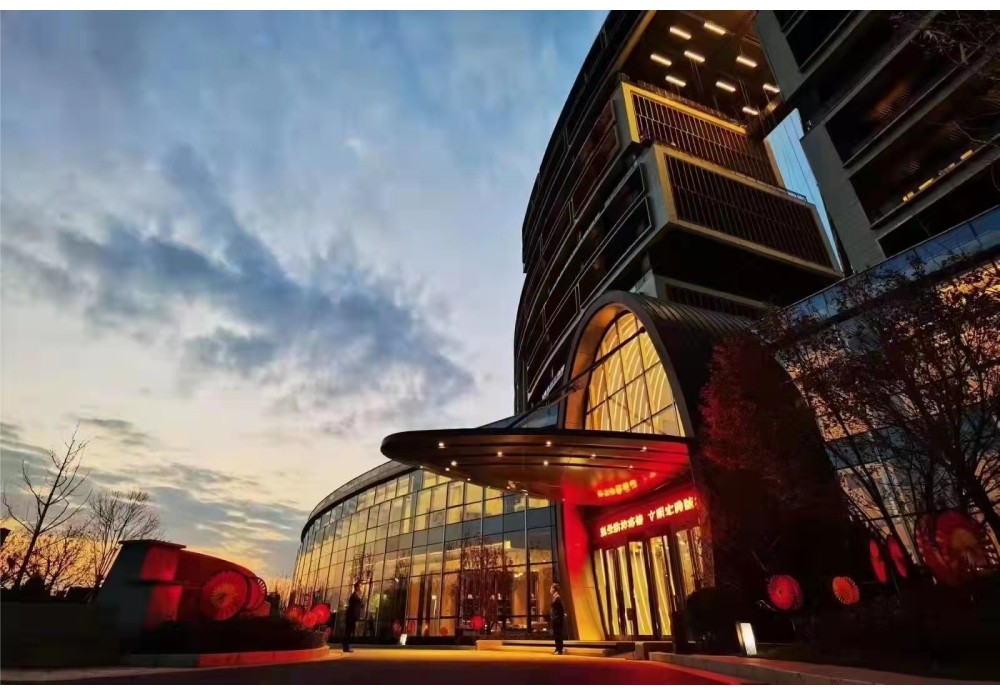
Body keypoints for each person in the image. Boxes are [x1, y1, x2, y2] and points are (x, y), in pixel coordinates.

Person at [343, 581, 363, 653]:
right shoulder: (354, 596)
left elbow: (356, 606)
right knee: (348, 632)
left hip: (351, 617)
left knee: (349, 632)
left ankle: (347, 647)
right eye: (360, 586)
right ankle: (346, 647)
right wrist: (355, 616)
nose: (361, 588)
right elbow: (353, 607)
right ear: (357, 587)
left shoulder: (356, 595)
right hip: (351, 617)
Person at [550, 582, 565, 655]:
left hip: (557, 619)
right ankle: (557, 648)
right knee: (556, 634)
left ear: (554, 589)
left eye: (551, 588)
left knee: (558, 634)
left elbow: (560, 608)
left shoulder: (557, 597)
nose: (550, 589)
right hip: (555, 618)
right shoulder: (554, 597)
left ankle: (559, 649)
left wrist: (560, 616)